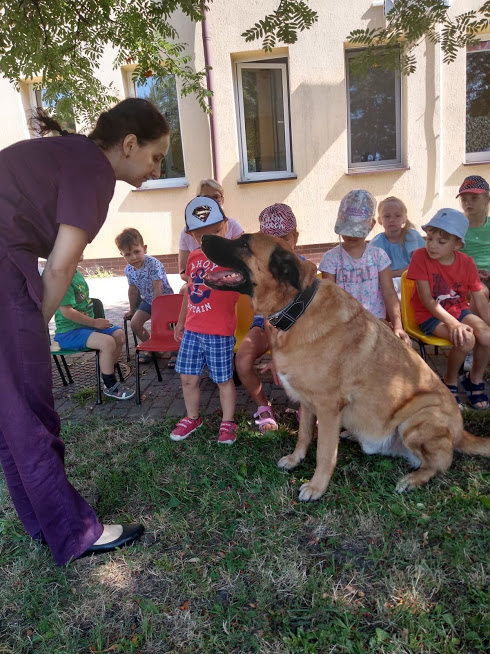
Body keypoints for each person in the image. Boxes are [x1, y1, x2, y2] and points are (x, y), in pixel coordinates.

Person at [0, 97, 170, 565]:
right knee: (30, 413)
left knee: (10, 413)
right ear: (129, 144)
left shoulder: (70, 154)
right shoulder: (94, 170)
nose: (157, 170)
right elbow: (60, 268)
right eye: (156, 157)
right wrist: (32, 329)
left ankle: (43, 523)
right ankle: (74, 532)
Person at [171, 196, 240, 444]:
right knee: (188, 378)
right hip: (192, 330)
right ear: (191, 235)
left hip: (219, 331)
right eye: (202, 236)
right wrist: (181, 322)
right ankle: (193, 417)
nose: (210, 240)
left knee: (223, 380)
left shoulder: (234, 257)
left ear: (226, 225)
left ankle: (228, 422)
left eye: (216, 231)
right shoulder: (193, 257)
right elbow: (190, 291)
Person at [407, 208, 490, 410]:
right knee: (466, 339)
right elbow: (428, 301)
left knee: (487, 336)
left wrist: (487, 322)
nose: (432, 245)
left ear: (457, 244)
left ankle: (474, 379)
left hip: (459, 311)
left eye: (441, 242)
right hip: (429, 315)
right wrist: (453, 324)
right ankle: (449, 382)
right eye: (429, 239)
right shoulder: (420, 256)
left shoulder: (467, 263)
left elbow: (479, 298)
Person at [235, 203, 300, 433]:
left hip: (298, 330)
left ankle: (307, 406)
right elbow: (267, 317)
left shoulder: (305, 269)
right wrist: (275, 352)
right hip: (266, 326)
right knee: (242, 360)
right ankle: (263, 405)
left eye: (284, 238)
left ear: (296, 237)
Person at [319, 189, 411, 346]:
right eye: (348, 228)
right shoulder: (330, 259)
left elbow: (389, 293)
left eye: (357, 230)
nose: (352, 235)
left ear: (371, 225)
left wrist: (398, 326)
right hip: (344, 325)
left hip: (376, 322)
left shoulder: (378, 256)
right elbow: (330, 300)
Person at [54, 257, 135, 400]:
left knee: (119, 334)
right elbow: (66, 312)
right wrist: (94, 322)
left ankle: (106, 374)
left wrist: (89, 320)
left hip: (86, 326)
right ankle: (110, 385)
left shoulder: (76, 272)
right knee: (107, 342)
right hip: (69, 332)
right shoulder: (62, 277)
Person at [115, 227, 174, 365]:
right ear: (122, 254)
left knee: (165, 327)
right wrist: (131, 310)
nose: (133, 257)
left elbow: (157, 289)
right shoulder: (129, 270)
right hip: (148, 301)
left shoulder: (153, 264)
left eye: (136, 252)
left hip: (164, 300)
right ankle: (152, 347)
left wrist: (158, 314)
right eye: (128, 254)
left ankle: (175, 351)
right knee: (135, 324)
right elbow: (132, 290)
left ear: (145, 249)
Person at [178, 179, 244, 281]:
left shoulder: (233, 225)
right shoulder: (187, 232)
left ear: (222, 199)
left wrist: (221, 279)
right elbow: (183, 271)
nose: (212, 201)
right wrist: (199, 282)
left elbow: (245, 261)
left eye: (216, 197)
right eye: (207, 198)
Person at [457, 175, 490, 371]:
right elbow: (449, 258)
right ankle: (473, 343)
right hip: (465, 278)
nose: (468, 203)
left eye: (474, 198)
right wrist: (472, 272)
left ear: (487, 199)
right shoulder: (457, 229)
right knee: (481, 293)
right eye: (464, 199)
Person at [370, 196, 425, 293]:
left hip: (413, 280)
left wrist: (392, 273)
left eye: (397, 216)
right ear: (379, 220)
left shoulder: (412, 237)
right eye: (387, 216)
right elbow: (375, 273)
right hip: (389, 284)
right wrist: (401, 272)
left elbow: (421, 264)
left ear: (404, 219)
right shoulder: (376, 243)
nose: (392, 219)